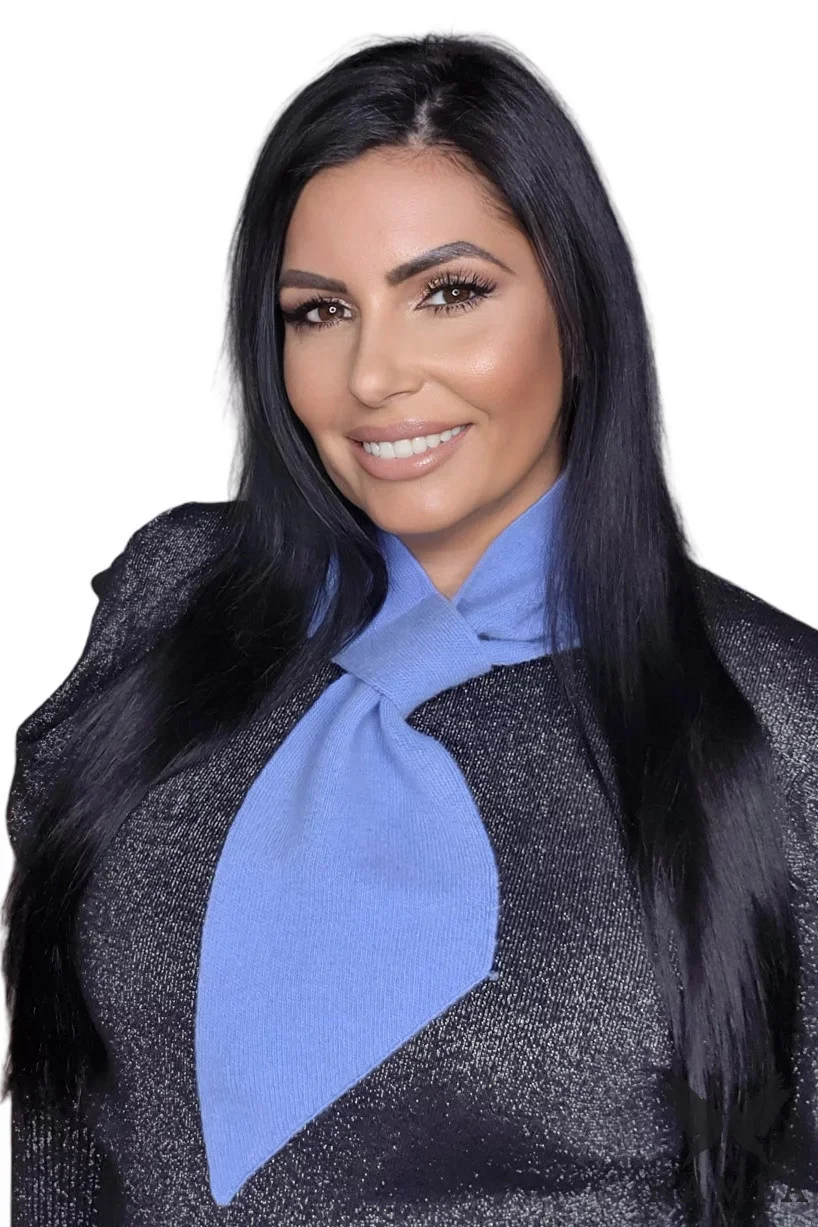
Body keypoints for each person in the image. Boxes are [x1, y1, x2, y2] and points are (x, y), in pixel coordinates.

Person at [3, 30, 817, 1227]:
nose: (372, 375)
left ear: (578, 310)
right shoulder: (175, 612)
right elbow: (68, 1135)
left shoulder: (773, 718)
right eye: (318, 311)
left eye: (447, 294)